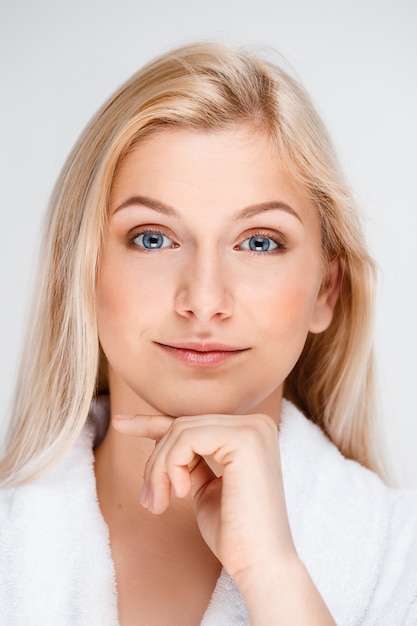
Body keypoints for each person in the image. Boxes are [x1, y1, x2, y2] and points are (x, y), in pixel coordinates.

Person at [0, 42, 416, 626]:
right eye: (152, 238)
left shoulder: (401, 562)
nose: (203, 301)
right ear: (83, 271)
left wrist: (275, 578)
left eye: (259, 242)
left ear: (326, 290)